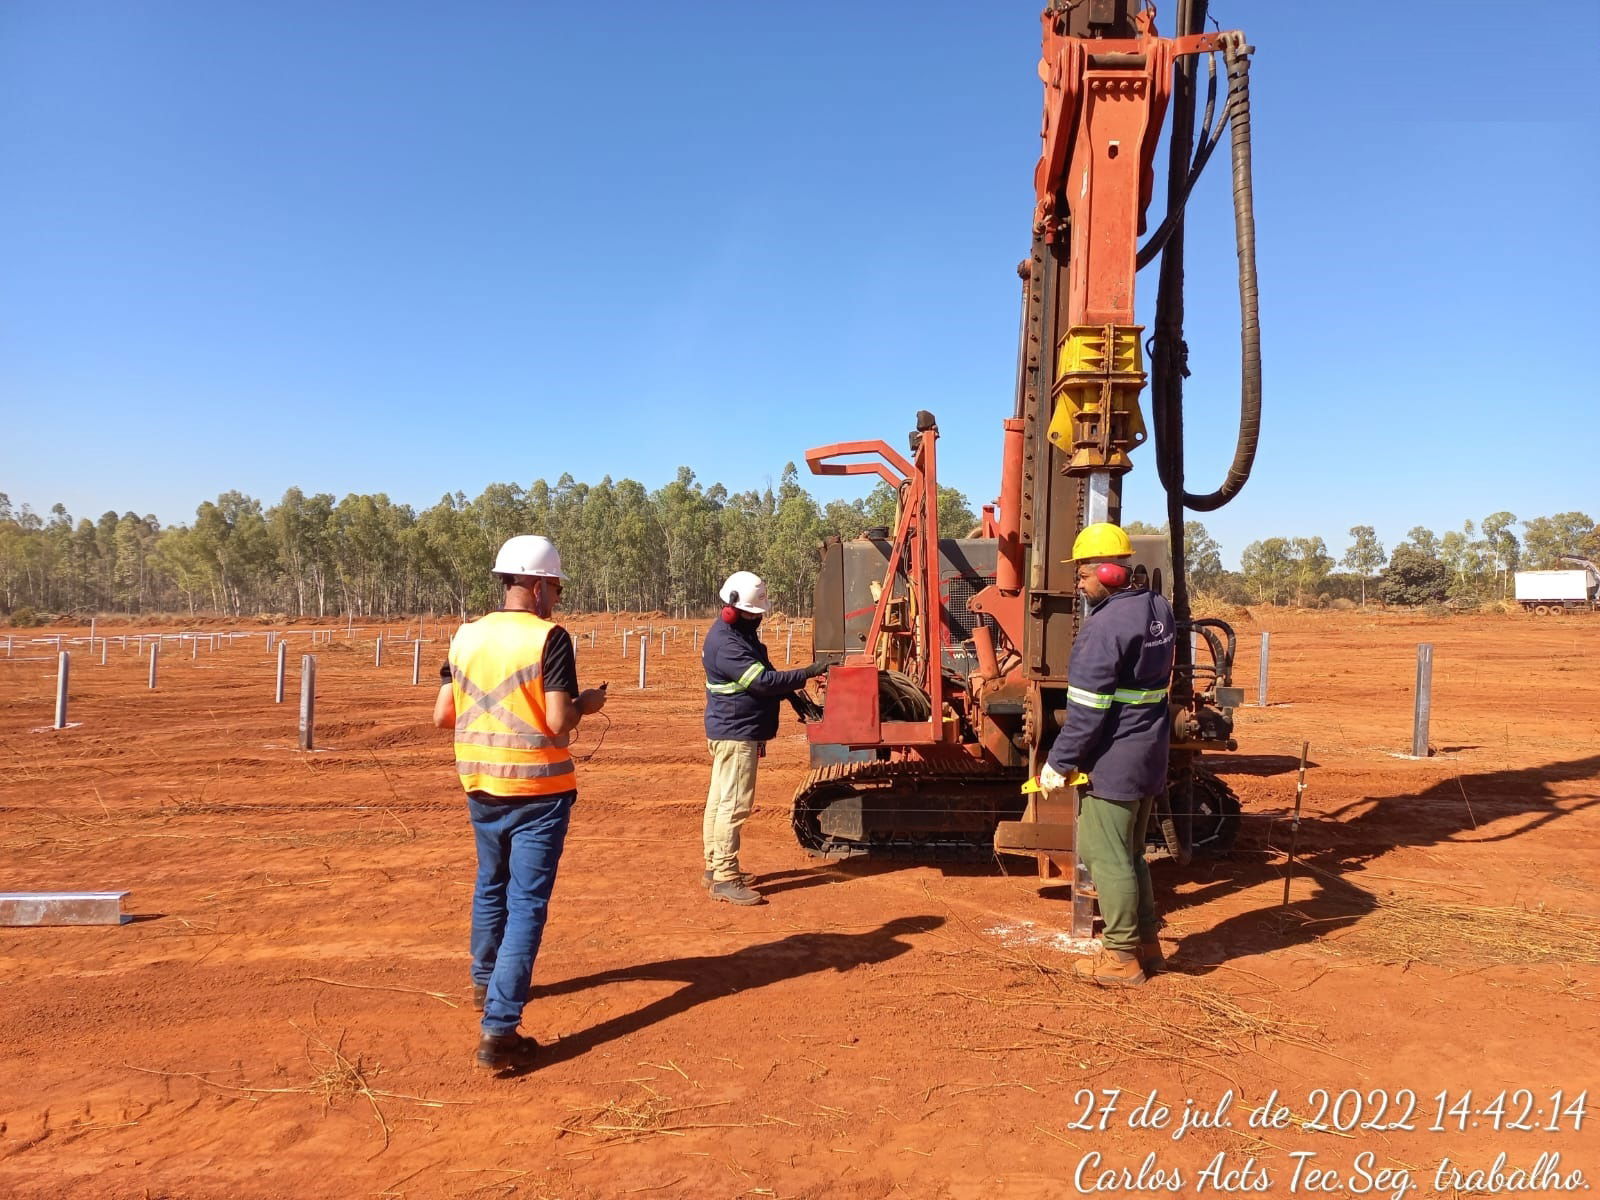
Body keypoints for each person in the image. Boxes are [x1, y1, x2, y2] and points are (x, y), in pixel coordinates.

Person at [432, 534, 607, 1070]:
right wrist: (586, 706)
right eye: (553, 586)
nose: (555, 596)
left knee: (491, 885)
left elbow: (443, 715)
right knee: (526, 904)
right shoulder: (550, 638)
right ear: (536, 584)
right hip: (538, 791)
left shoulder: (465, 636)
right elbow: (557, 721)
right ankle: (500, 1030)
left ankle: (485, 984)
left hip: (481, 786)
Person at [1037, 522, 1176, 988]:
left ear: (1111, 572)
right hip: (1149, 750)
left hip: (1116, 757)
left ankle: (1120, 958)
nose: (1079, 583)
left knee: (1104, 855)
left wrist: (1059, 762)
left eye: (1082, 574)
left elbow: (1087, 711)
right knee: (1133, 853)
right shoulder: (1158, 607)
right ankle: (1147, 945)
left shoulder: (1104, 627)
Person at [700, 570, 825, 905]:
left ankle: (716, 867)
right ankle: (725, 877)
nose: (757, 620)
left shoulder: (740, 636)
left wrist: (799, 699)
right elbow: (764, 683)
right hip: (736, 733)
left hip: (735, 730)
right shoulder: (727, 643)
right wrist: (809, 672)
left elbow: (768, 677)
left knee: (719, 801)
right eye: (752, 614)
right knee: (733, 805)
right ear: (732, 609)